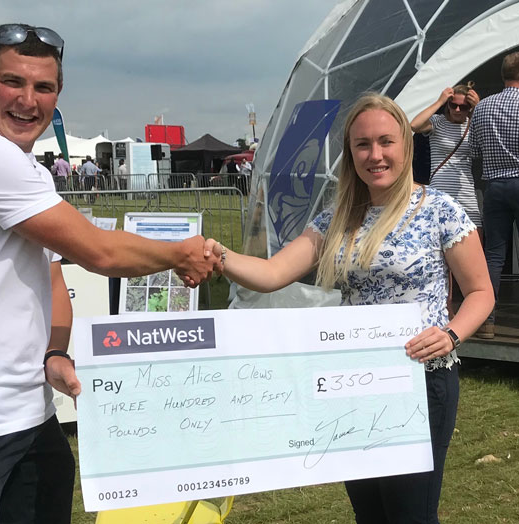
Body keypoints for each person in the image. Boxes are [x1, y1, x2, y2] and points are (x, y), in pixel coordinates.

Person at [0, 23, 216, 524]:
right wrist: (179, 254)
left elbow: (51, 275)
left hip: (28, 413)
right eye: (12, 82)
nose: (28, 101)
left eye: (43, 87)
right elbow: (99, 251)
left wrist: (55, 351)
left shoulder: (32, 171)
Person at [206, 94, 493, 523]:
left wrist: (451, 335)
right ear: (350, 152)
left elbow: (481, 292)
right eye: (362, 144)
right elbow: (271, 273)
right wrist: (218, 255)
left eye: (385, 141)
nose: (375, 155)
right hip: (354, 383)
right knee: (369, 514)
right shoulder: (335, 219)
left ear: (405, 145)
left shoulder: (439, 210)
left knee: (410, 515)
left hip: (420, 380)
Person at [411, 84, 482, 318]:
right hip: (441, 192)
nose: (458, 110)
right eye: (454, 105)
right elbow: (414, 125)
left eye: (464, 106)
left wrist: (478, 108)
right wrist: (440, 101)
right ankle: (447, 305)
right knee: (442, 252)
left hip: (466, 192)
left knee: (473, 247)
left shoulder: (473, 124)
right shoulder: (438, 123)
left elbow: (490, 139)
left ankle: (474, 305)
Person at [469, 51, 519, 340]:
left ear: (502, 74)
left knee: (494, 255)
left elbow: (474, 150)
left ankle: (486, 320)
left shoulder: (483, 107)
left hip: (495, 187)